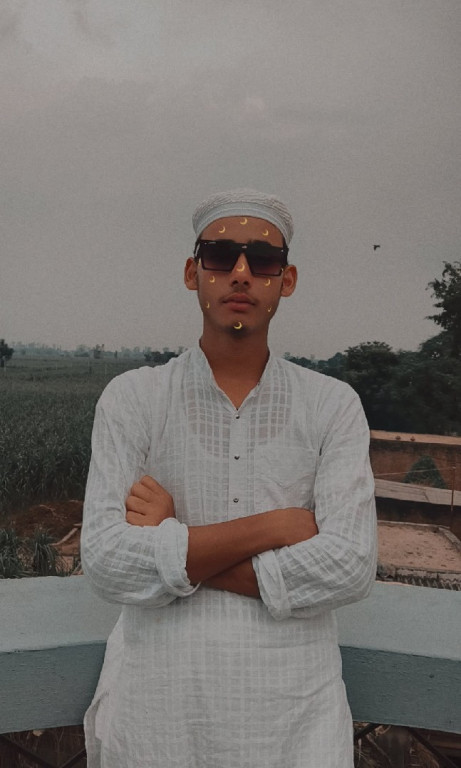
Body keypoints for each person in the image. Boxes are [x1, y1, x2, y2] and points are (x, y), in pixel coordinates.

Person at [81, 188, 377, 768]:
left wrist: (173, 536)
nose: (241, 273)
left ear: (286, 280)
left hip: (294, 718)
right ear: (192, 273)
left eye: (262, 260)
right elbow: (106, 559)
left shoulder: (332, 405)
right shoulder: (134, 398)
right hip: (157, 713)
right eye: (220, 255)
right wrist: (276, 526)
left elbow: (350, 566)